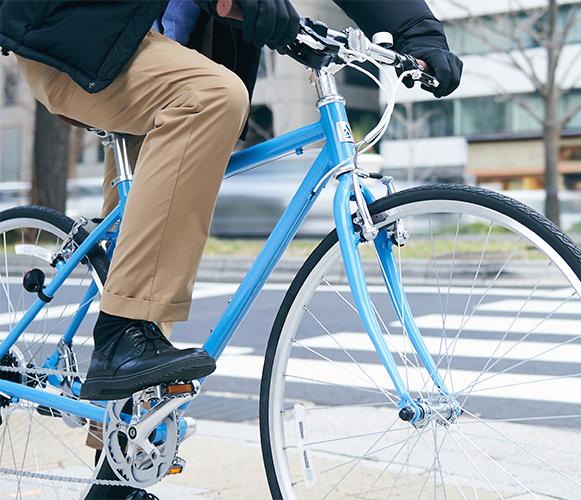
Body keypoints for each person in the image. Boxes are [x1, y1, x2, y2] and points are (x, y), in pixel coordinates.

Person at [0, 1, 461, 498]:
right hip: (79, 31)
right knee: (211, 96)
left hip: (166, 53)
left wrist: (417, 30)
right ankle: (118, 340)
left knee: (150, 266)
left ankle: (118, 476)